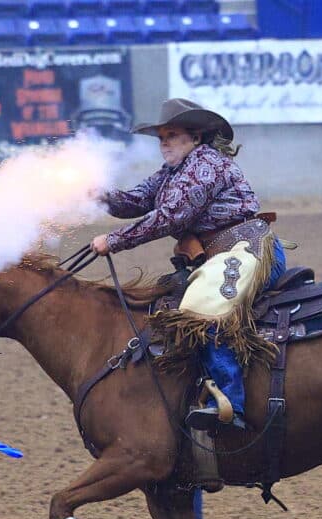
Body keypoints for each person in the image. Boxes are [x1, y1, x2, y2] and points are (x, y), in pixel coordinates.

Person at [91, 98, 287, 432]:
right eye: (161, 136)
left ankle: (229, 404)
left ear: (195, 138)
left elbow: (169, 217)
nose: (164, 142)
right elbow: (135, 201)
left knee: (204, 308)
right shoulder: (174, 170)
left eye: (172, 134)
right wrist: (95, 192)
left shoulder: (205, 164)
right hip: (224, 254)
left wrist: (114, 241)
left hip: (247, 249)